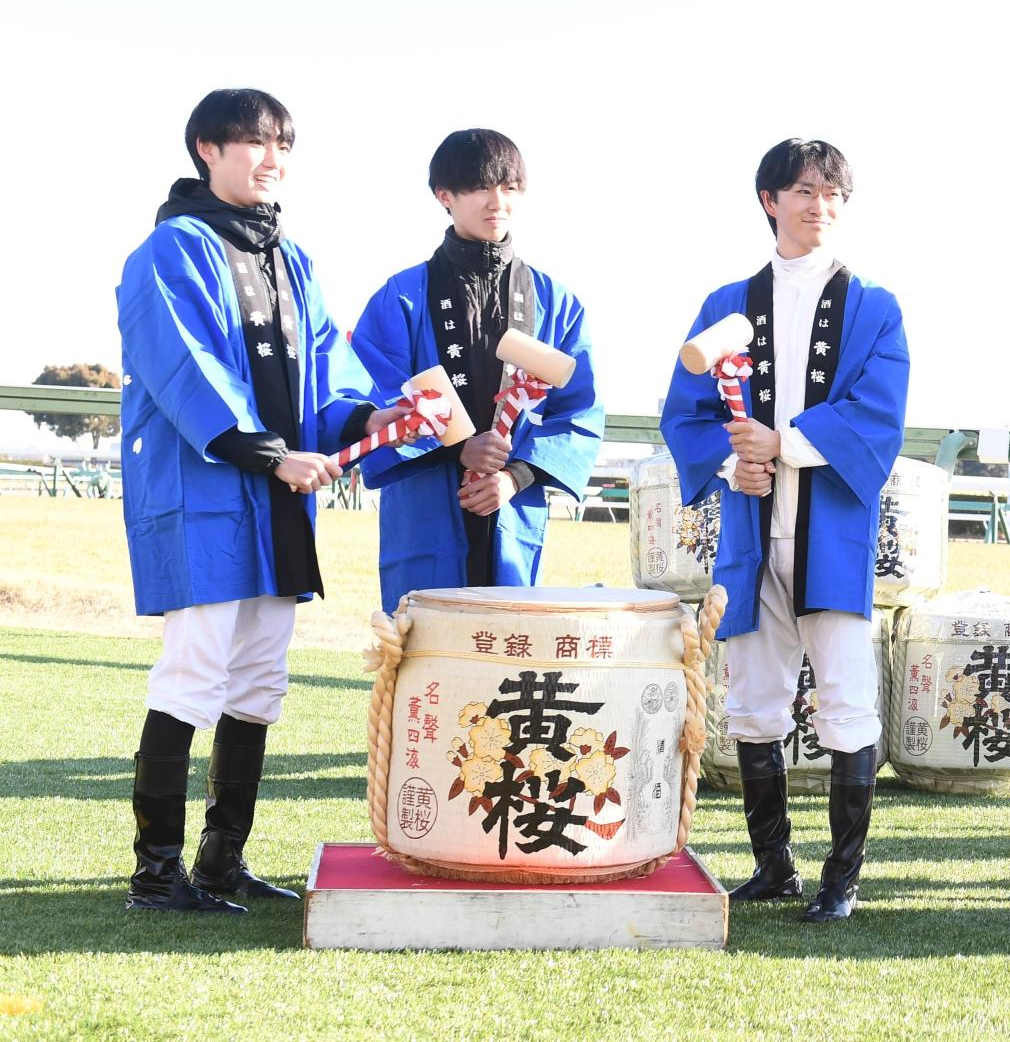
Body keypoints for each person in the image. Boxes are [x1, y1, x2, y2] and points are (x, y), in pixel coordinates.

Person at [116, 89, 411, 912]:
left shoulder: (293, 259)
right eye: (252, 141)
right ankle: (155, 873)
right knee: (192, 671)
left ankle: (220, 864)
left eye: (281, 143)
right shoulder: (169, 250)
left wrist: (365, 415)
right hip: (211, 490)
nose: (271, 157)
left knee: (257, 680)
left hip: (281, 501)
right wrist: (271, 453)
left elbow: (326, 365)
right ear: (206, 149)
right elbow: (182, 368)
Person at [660, 138, 909, 922]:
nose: (819, 206)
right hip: (749, 529)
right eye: (804, 191)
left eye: (832, 194)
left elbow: (879, 411)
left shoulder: (873, 306)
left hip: (830, 529)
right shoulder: (727, 306)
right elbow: (688, 411)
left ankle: (842, 879)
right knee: (754, 703)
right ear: (771, 200)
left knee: (844, 696)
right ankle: (776, 868)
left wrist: (784, 444)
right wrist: (737, 466)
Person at [351, 129, 603, 611]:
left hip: (512, 503)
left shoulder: (555, 303)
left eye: (509, 188)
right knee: (424, 647)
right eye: (479, 188)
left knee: (506, 646)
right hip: (427, 499)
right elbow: (376, 397)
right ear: (444, 196)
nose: (497, 202)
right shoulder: (400, 298)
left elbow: (579, 408)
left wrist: (517, 477)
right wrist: (456, 449)